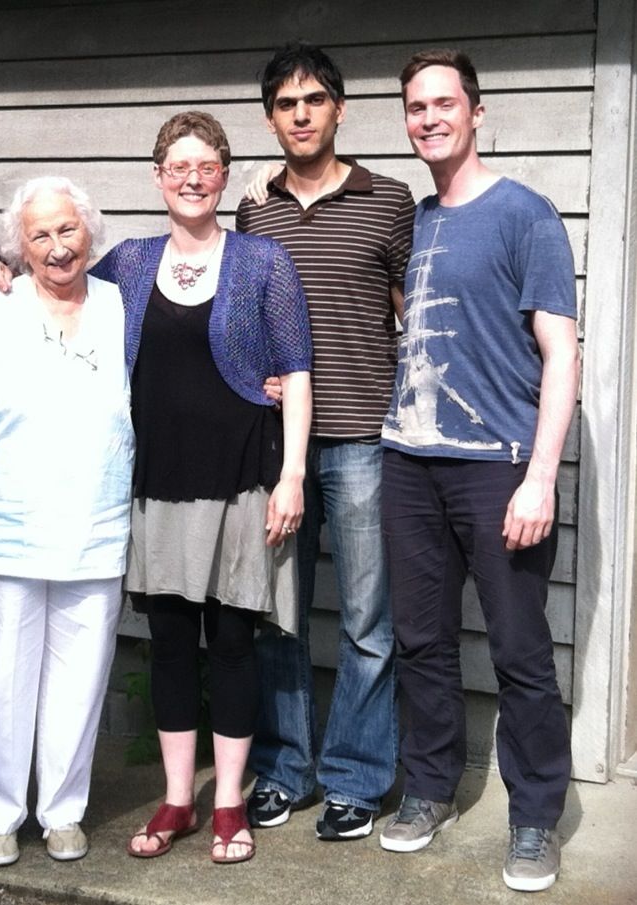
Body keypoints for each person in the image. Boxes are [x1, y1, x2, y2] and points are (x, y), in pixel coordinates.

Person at [378, 50, 578, 893]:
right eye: (416, 107)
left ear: (476, 112)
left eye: (444, 103)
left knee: (521, 650)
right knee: (421, 642)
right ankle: (427, 787)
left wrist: (541, 475)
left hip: (496, 467)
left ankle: (534, 817)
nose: (430, 118)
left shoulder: (525, 214)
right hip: (408, 462)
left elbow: (560, 354)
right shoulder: (414, 222)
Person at [96, 111, 312, 865]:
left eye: (207, 167)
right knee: (169, 643)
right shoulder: (125, 261)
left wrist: (292, 477)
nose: (192, 178)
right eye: (177, 166)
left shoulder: (262, 262)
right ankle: (178, 798)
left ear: (225, 177)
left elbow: (299, 369)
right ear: (158, 177)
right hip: (156, 481)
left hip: (241, 481)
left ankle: (229, 806)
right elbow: (56, 304)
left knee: (230, 642)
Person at [237, 43, 415, 841]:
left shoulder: (390, 200)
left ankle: (356, 777)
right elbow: (235, 318)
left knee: (367, 620)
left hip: (366, 440)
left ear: (340, 108)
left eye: (314, 100)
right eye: (285, 103)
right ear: (271, 116)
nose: (300, 114)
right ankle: (284, 770)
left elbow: (417, 313)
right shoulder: (254, 209)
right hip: (277, 449)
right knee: (279, 615)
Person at [0, 177, 133, 867]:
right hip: (3, 527)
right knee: (1, 679)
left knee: (79, 683)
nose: (57, 247)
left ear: (90, 235)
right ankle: (0, 812)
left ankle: (63, 811)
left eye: (68, 230)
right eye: (41, 234)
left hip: (95, 524)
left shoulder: (117, 305)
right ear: (20, 246)